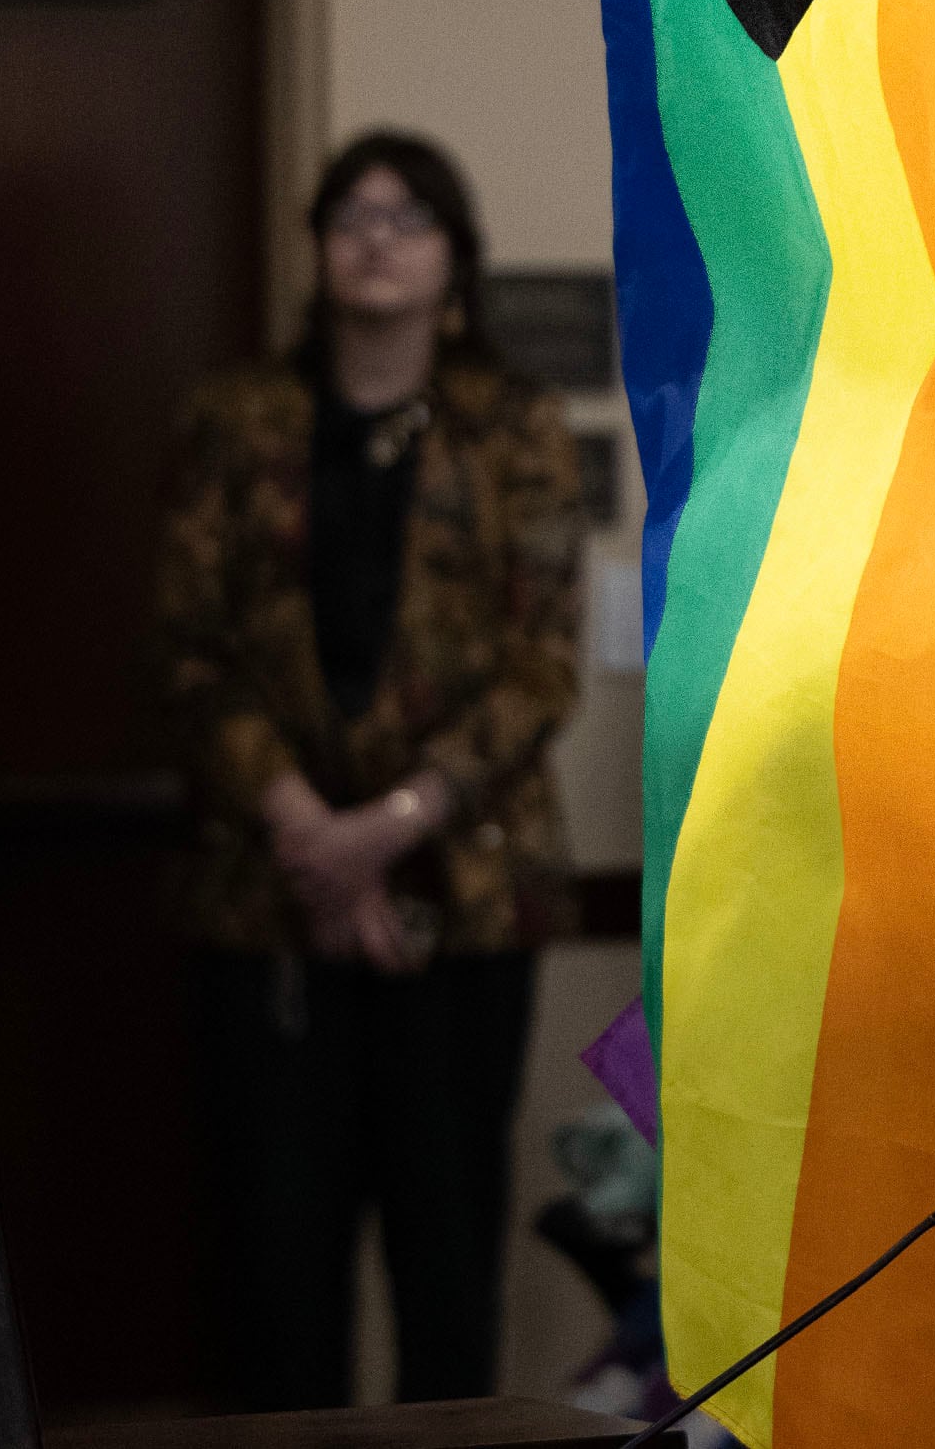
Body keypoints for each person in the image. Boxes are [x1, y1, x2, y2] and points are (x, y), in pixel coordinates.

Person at [159, 131, 583, 1412]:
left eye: (408, 215)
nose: (376, 234)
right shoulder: (236, 421)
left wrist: (386, 829)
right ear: (317, 248)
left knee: (447, 1272)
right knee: (276, 1279)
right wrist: (313, 835)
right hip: (269, 907)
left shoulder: (514, 424)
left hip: (463, 907)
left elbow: (540, 664)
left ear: (456, 257)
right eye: (350, 212)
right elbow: (189, 653)